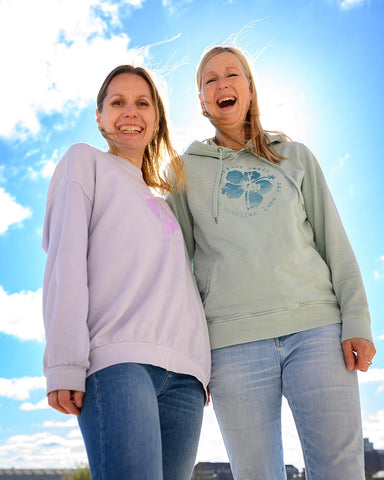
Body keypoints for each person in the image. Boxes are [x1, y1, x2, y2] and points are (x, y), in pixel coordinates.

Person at [168, 46, 376, 480]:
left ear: (249, 87)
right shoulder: (184, 171)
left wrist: (356, 319)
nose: (221, 84)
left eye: (232, 74)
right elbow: (179, 269)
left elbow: (334, 241)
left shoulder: (295, 155)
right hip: (232, 343)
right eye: (210, 79)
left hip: (317, 331)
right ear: (202, 101)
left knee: (341, 471)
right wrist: (191, 355)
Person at [42, 64, 211, 480]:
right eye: (117, 103)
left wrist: (203, 367)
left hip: (186, 381)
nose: (130, 112)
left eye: (142, 103)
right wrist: (64, 362)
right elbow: (65, 260)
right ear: (99, 117)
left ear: (156, 118)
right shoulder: (85, 163)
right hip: (118, 365)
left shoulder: (167, 201)